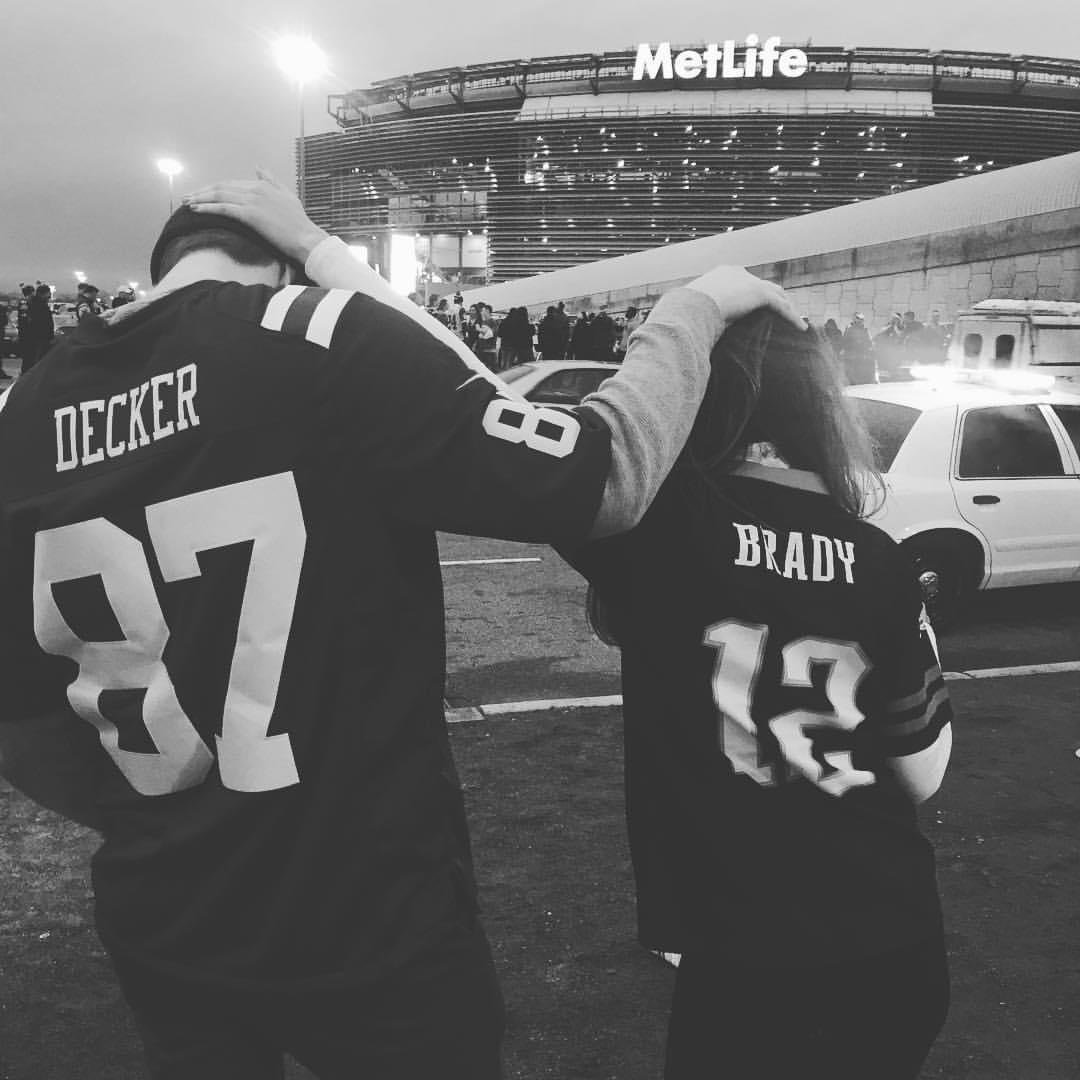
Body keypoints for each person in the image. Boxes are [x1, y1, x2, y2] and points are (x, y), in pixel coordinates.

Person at [0, 170, 801, 1079]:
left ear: (164, 267)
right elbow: (600, 473)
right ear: (281, 265)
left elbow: (23, 730)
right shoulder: (316, 334)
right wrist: (693, 308)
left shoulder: (25, 413)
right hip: (363, 907)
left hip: (166, 912)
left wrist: (156, 819)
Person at [562, 312, 952, 1080]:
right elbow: (924, 773)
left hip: (743, 952)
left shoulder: (660, 529)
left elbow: (498, 425)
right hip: (892, 938)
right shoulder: (880, 559)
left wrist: (693, 310)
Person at [22, 282, 54, 373]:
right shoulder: (37, 305)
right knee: (34, 361)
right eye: (48, 294)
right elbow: (39, 323)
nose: (50, 297)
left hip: (39, 338)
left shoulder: (39, 304)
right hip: (38, 338)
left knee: (33, 360)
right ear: (42, 294)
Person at [840, 311, 875, 384]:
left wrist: (869, 347)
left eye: (861, 319)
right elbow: (845, 340)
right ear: (854, 319)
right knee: (852, 368)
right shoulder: (849, 329)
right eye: (858, 319)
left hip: (862, 353)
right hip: (853, 353)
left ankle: (865, 380)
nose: (860, 321)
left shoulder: (865, 329)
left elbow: (869, 340)